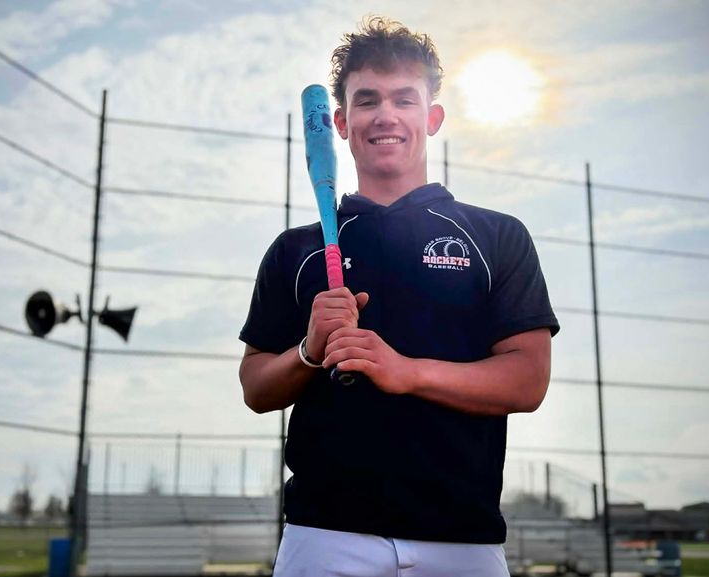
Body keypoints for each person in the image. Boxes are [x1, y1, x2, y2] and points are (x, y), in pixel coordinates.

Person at [239, 16, 559, 577]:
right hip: (324, 534)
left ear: (431, 117)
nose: (385, 115)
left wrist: (407, 371)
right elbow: (256, 388)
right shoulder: (298, 251)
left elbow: (527, 380)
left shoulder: (497, 237)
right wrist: (309, 352)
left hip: (463, 539)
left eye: (404, 99)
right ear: (339, 122)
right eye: (366, 101)